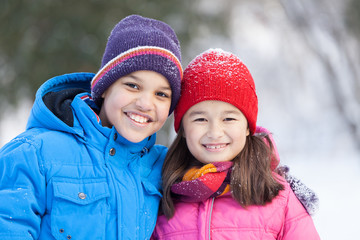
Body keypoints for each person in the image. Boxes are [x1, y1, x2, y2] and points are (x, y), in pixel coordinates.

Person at [0, 15, 182, 239]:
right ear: (104, 88)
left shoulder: (165, 167)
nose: (145, 104)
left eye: (161, 94)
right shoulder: (35, 154)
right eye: (133, 85)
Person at [152, 48, 320, 239]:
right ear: (183, 128)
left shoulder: (277, 195)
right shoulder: (162, 194)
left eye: (229, 119)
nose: (215, 132)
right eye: (200, 120)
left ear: (248, 127)